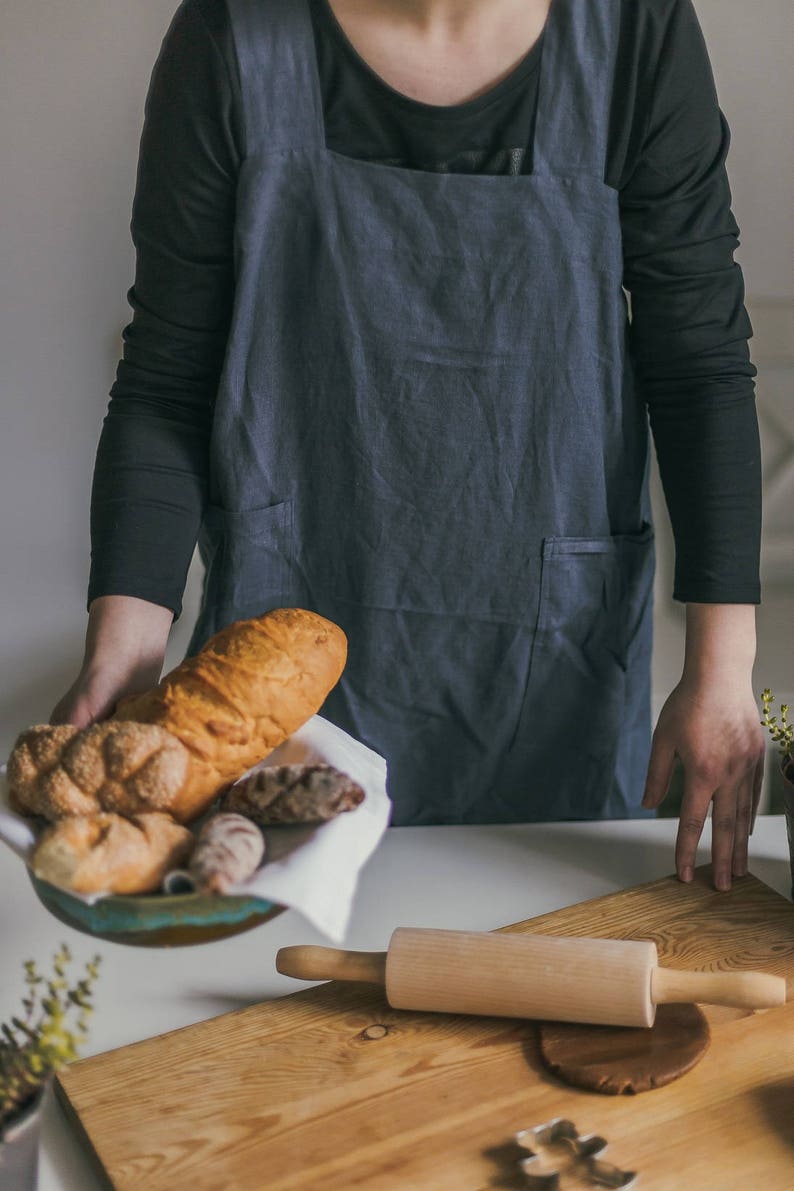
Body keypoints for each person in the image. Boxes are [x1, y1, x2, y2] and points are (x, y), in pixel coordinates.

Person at [52, 0, 765, 889]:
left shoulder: (635, 33)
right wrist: (124, 650)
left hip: (554, 683)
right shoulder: (230, 35)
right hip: (287, 686)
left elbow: (698, 363)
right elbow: (169, 375)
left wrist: (722, 672)